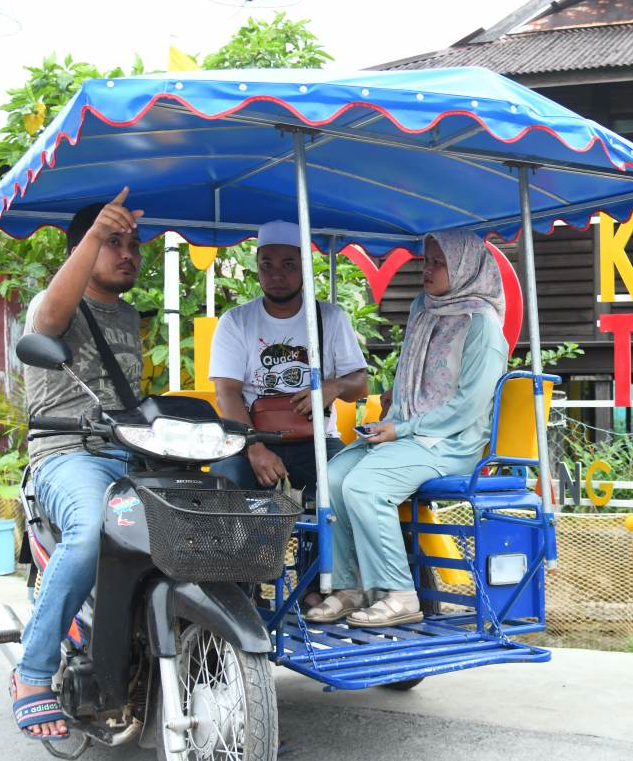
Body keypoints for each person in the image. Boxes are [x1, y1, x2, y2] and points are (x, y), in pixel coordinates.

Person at [305, 230, 506, 628]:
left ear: (464, 267)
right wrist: (392, 421)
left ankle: (399, 593)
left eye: (438, 262)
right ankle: (351, 588)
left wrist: (403, 428)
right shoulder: (426, 307)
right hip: (410, 433)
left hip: (452, 442)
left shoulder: (481, 326)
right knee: (334, 476)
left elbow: (468, 405)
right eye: (425, 260)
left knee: (365, 485)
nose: (426, 270)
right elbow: (410, 381)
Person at [11, 187, 146, 739]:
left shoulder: (130, 315)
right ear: (83, 252)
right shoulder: (57, 303)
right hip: (67, 454)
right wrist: (91, 237)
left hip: (132, 453)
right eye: (112, 243)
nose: (127, 253)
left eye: (132, 244)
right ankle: (33, 672)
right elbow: (44, 326)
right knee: (91, 534)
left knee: (203, 525)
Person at [207, 220, 368, 496]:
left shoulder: (330, 318)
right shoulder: (236, 322)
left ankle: (329, 542)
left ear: (305, 266)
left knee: (352, 484)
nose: (277, 275)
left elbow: (360, 386)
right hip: (253, 437)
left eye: (289, 265)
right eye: (267, 265)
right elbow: (227, 395)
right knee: (226, 479)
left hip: (318, 441)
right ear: (257, 266)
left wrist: (334, 387)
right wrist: (254, 449)